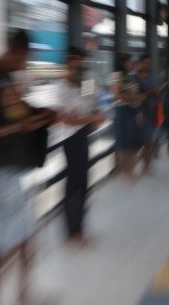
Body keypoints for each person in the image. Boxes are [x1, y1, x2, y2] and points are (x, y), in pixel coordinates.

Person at [0, 28, 56, 305]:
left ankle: (21, 293)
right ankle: (3, 296)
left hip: (15, 168)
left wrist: (41, 114)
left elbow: (16, 112)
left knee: (22, 234)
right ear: (14, 52)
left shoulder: (6, 78)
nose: (24, 64)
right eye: (24, 58)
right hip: (1, 169)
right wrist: (19, 126)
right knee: (9, 239)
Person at [54, 47, 107, 246]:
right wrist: (92, 117)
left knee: (84, 185)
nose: (80, 66)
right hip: (70, 139)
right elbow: (67, 120)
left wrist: (96, 114)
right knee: (74, 185)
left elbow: (92, 104)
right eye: (76, 62)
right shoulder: (61, 87)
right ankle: (72, 232)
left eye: (83, 63)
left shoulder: (86, 82)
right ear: (68, 64)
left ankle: (79, 228)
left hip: (84, 135)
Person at [110, 53, 152, 178]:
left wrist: (139, 111)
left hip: (132, 111)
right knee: (123, 143)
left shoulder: (130, 77)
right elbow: (118, 95)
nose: (131, 64)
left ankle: (130, 170)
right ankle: (123, 172)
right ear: (122, 63)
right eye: (129, 62)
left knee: (132, 142)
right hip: (122, 111)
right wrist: (138, 97)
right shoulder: (116, 75)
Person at [131, 54, 159, 174]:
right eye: (145, 63)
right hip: (139, 113)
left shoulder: (149, 77)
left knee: (149, 140)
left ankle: (146, 166)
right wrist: (151, 92)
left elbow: (153, 93)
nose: (147, 65)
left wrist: (156, 93)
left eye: (149, 63)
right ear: (139, 63)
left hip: (150, 111)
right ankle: (131, 167)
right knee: (137, 142)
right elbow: (133, 96)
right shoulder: (133, 77)